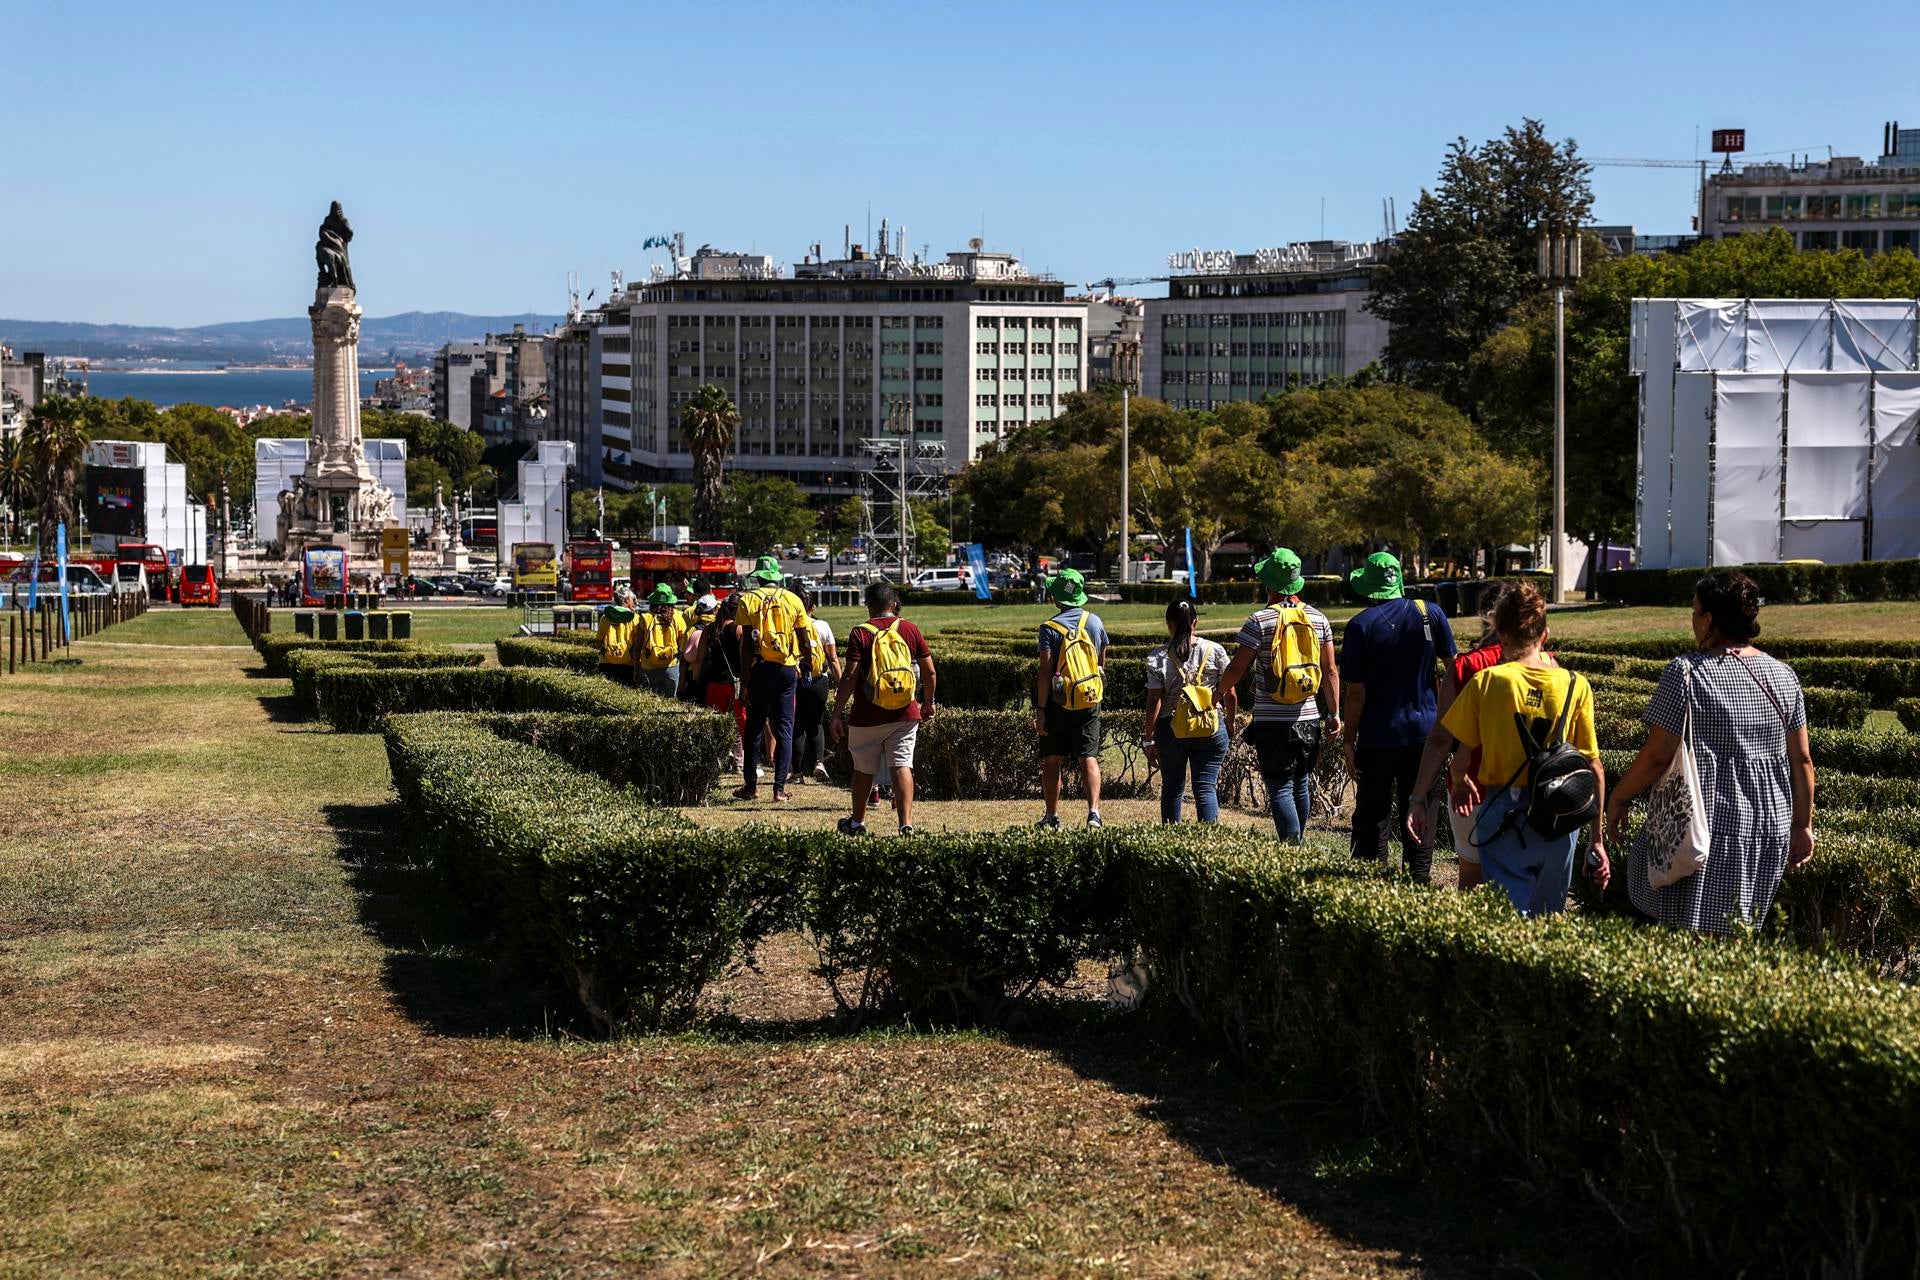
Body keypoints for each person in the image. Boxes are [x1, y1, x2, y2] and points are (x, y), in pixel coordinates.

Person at [1604, 571, 1816, 934]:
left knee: (1691, 937)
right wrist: (1804, 825)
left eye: (1694, 610)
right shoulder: (1784, 675)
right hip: (1768, 825)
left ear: (1710, 620)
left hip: (1707, 823)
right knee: (1737, 933)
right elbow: (1803, 760)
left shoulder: (1685, 673)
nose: (1692, 619)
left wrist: (1618, 797)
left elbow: (1657, 755)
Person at [1407, 583, 1607, 914]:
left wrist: (1458, 781)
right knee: (1549, 917)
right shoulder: (1575, 684)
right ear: (1545, 634)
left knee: (1506, 917)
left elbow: (1460, 755)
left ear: (1499, 630)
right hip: (1559, 813)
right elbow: (1594, 767)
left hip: (1503, 810)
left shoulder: (1487, 682)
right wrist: (1597, 840)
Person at [1340, 552, 1456, 881]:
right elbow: (1455, 670)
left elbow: (1357, 693)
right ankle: (1418, 879)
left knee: (1372, 814)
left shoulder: (1360, 625)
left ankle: (1372, 881)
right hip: (1425, 735)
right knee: (1422, 810)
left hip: (1378, 736)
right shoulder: (1429, 613)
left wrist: (1349, 740)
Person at [1219, 548, 1340, 841]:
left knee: (1279, 786)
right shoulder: (1318, 618)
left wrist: (1217, 692)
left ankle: (1291, 848)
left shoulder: (1259, 621)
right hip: (1309, 717)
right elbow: (1331, 671)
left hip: (1271, 720)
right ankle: (1298, 844)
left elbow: (1238, 667)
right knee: (1300, 783)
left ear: (1270, 584)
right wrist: (1335, 713)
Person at [831, 581, 936, 836]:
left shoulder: (861, 632)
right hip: (905, 712)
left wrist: (836, 713)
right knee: (902, 764)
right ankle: (906, 824)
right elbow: (930, 671)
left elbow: (850, 676)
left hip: (867, 715)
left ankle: (857, 822)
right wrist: (928, 703)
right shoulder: (910, 629)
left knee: (863, 768)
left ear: (869, 606)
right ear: (895, 605)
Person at [1444, 581, 1513, 891]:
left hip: (1470, 785)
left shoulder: (1467, 665)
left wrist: (1420, 795)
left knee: (1470, 877)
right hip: (1521, 789)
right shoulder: (1545, 665)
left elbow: (1442, 735)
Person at [1142, 598, 1234, 823]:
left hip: (1172, 728)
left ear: (1169, 624)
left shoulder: (1158, 657)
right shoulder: (1215, 650)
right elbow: (1231, 694)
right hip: (1210, 726)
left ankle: (1173, 839)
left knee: (1172, 787)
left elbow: (1154, 700)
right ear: (1196, 622)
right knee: (1205, 787)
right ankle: (1207, 839)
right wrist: (1229, 724)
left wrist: (1148, 738)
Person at [733, 554, 816, 802]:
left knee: (754, 728)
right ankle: (779, 789)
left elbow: (746, 644)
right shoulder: (792, 599)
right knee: (785, 729)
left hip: (759, 669)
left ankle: (751, 786)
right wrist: (807, 666)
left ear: (757, 577)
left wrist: (745, 679)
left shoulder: (748, 600)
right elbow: (804, 639)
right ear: (777, 577)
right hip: (786, 670)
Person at [1034, 568, 1108, 829]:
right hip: (1088, 698)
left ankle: (1052, 815)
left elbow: (1045, 671)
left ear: (1056, 598)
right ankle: (1094, 813)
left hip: (1057, 700)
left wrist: (1040, 708)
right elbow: (1101, 664)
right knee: (1088, 756)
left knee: (1053, 757)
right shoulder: (1095, 622)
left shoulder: (1049, 628)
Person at [792, 582, 842, 783]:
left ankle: (796, 772)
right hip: (819, 680)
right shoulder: (822, 626)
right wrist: (841, 684)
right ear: (812, 606)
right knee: (816, 723)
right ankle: (819, 762)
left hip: (795, 680)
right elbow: (833, 659)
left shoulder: (789, 625)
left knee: (797, 725)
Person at [696, 593, 748, 774]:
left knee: (717, 722)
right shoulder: (740, 630)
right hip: (735, 683)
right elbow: (744, 659)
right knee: (741, 723)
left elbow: (700, 659)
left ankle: (719, 758)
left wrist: (696, 679)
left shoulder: (709, 630)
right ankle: (741, 762)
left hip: (714, 682)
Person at [633, 584, 686, 697]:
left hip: (649, 667)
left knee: (651, 703)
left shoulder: (645, 618)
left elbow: (637, 647)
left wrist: (636, 670)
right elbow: (683, 647)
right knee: (671, 704)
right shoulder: (678, 617)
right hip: (671, 667)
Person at [595, 587, 638, 685]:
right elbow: (637, 645)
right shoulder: (635, 619)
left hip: (606, 663)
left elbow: (597, 644)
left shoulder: (605, 617)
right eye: (633, 600)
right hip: (627, 665)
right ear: (626, 600)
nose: (634, 603)